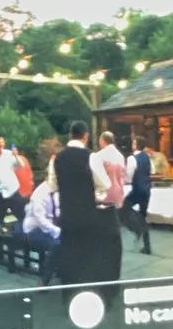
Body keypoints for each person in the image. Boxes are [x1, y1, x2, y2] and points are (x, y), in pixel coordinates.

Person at [52, 121, 121, 288]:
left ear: (70, 135)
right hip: (87, 214)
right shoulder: (91, 157)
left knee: (70, 251)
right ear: (86, 136)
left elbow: (52, 185)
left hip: (67, 214)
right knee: (87, 252)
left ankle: (69, 288)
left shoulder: (57, 158)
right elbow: (105, 184)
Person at [17, 157, 63, 279]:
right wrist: (57, 231)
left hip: (52, 226)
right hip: (34, 230)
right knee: (57, 244)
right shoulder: (40, 193)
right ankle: (44, 279)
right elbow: (41, 220)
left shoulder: (59, 190)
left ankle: (64, 271)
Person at [119, 130, 155, 255]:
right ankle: (147, 246)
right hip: (147, 189)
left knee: (122, 208)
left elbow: (129, 177)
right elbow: (152, 171)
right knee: (143, 216)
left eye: (134, 142)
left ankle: (136, 228)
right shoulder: (147, 157)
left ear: (135, 145)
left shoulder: (131, 158)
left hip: (137, 190)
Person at [91, 130, 128, 209]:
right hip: (118, 194)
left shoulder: (99, 156)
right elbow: (123, 176)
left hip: (104, 196)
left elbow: (96, 177)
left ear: (102, 141)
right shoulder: (120, 156)